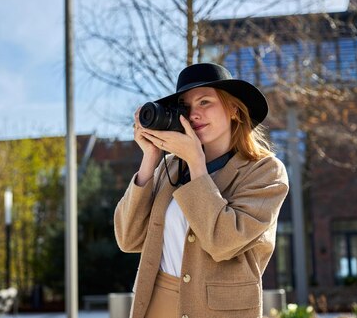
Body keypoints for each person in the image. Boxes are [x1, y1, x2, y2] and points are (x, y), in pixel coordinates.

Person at [114, 62, 290, 318]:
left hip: (219, 310)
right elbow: (128, 238)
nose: (194, 114)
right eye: (186, 106)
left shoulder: (265, 172)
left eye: (205, 102)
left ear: (234, 110)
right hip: (156, 303)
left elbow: (224, 243)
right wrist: (150, 159)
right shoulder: (171, 167)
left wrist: (197, 164)